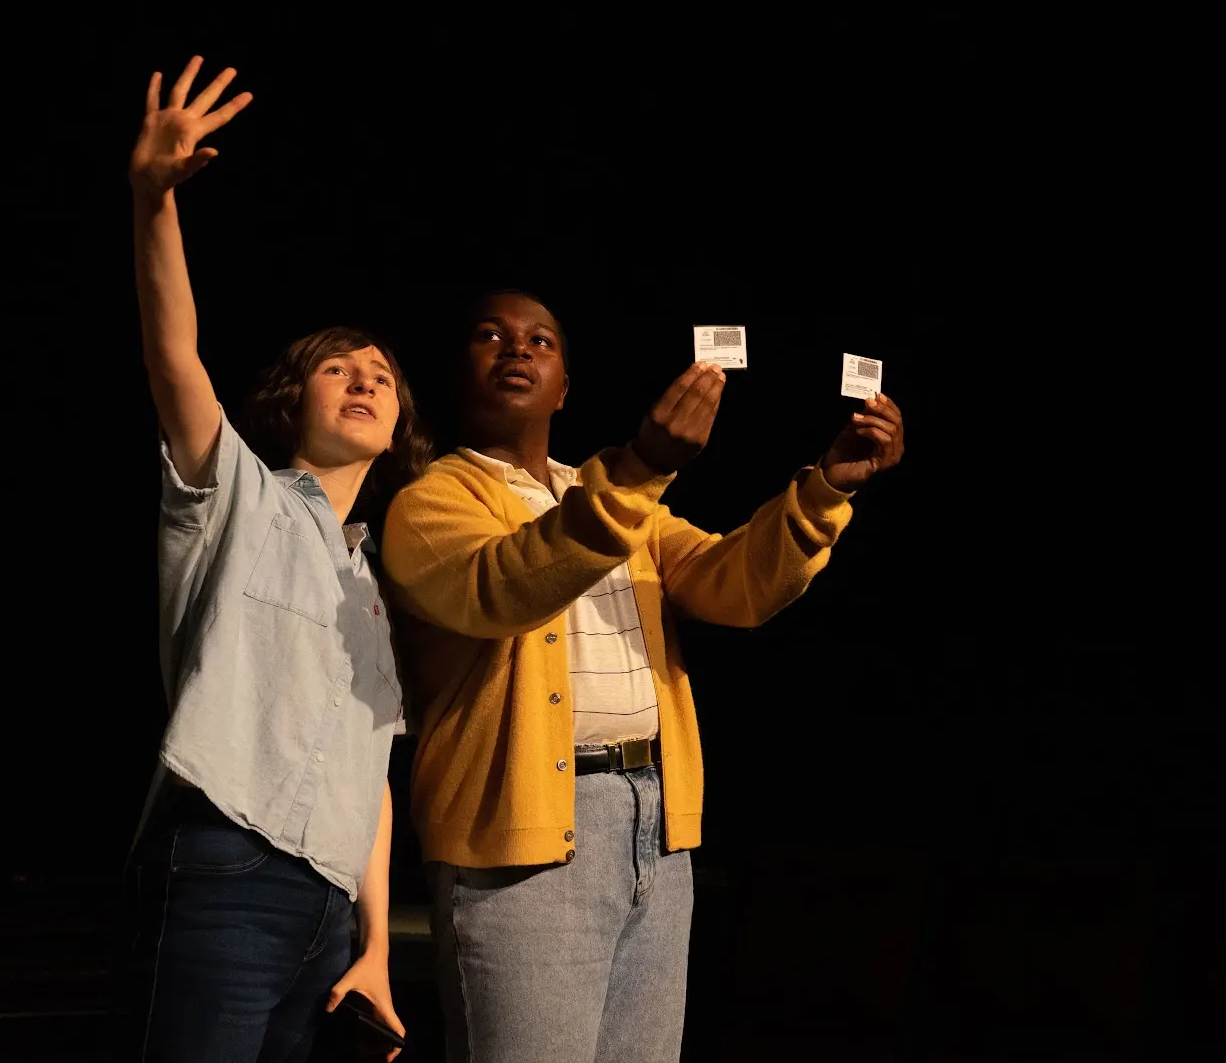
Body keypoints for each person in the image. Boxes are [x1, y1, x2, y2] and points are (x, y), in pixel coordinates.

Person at [380, 289, 905, 1061]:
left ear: (566, 388)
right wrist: (641, 468)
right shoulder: (431, 502)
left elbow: (734, 584)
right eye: (491, 336)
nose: (517, 349)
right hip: (525, 846)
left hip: (655, 828)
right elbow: (504, 585)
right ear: (457, 373)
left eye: (541, 341)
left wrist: (826, 490)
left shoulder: (621, 503)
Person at [120, 55, 422, 1060]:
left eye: (380, 373)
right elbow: (176, 358)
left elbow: (370, 770)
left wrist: (375, 942)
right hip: (227, 866)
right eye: (338, 366)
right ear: (295, 396)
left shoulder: (374, 583)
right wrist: (153, 201)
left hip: (327, 913)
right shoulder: (238, 492)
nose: (363, 379)